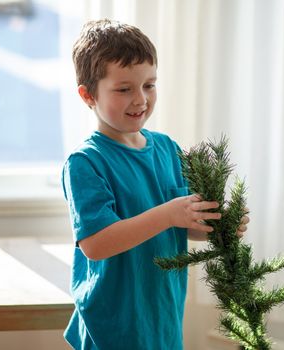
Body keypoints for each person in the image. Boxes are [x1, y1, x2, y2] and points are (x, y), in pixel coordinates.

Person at [62, 19, 249, 350]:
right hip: (112, 324)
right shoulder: (85, 163)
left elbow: (184, 224)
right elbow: (95, 245)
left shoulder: (167, 149)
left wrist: (220, 227)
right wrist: (167, 215)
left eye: (149, 85)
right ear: (88, 95)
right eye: (124, 89)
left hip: (161, 312)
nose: (140, 99)